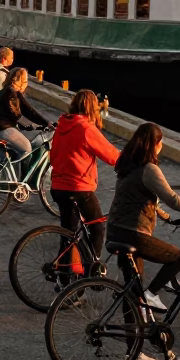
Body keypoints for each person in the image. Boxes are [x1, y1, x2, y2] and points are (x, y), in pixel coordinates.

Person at [106, 121, 180, 322]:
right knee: (177, 257)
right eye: (160, 142)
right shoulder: (149, 169)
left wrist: (164, 216)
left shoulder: (127, 164)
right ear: (154, 144)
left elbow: (133, 196)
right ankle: (152, 295)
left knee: (133, 289)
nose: (162, 146)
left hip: (115, 230)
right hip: (134, 233)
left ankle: (133, 351)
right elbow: (173, 199)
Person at [50, 90, 120, 264]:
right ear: (92, 107)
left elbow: (53, 156)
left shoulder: (62, 125)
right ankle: (91, 271)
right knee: (96, 227)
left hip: (58, 186)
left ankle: (63, 273)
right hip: (79, 187)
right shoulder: (86, 128)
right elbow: (112, 156)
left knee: (68, 233)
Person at [0, 67, 52, 166]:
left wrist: (45, 122)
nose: (26, 84)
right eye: (25, 81)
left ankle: (5, 177)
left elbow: (29, 111)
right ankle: (17, 177)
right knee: (27, 149)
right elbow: (15, 114)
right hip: (2, 128)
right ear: (21, 82)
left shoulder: (9, 91)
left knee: (7, 159)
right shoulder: (11, 94)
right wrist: (30, 126)